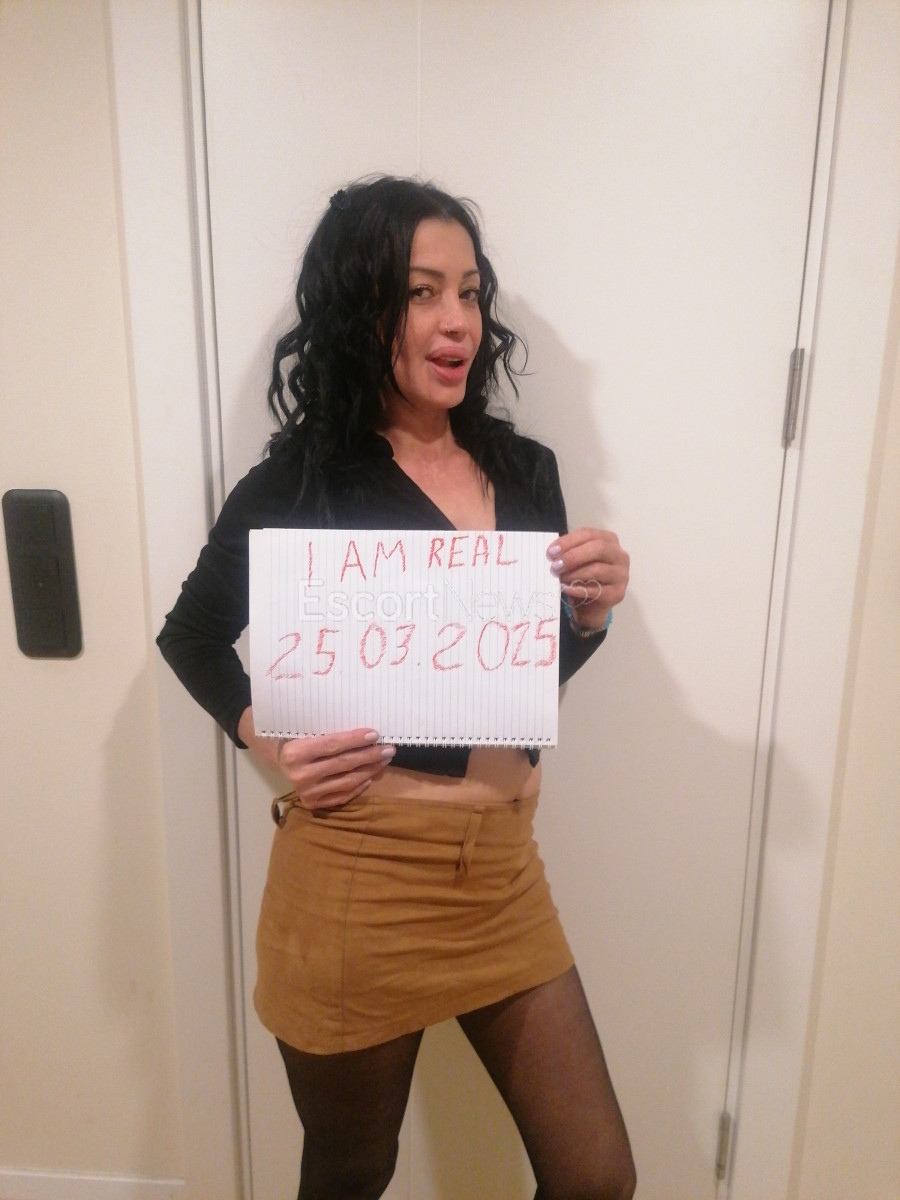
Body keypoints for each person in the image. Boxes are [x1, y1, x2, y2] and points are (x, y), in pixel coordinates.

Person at [158, 176, 635, 1200]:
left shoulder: (526, 470)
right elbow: (190, 635)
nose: (457, 320)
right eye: (422, 292)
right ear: (362, 305)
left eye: (469, 292)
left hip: (502, 875)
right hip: (355, 878)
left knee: (596, 1178)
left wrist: (590, 616)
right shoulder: (301, 483)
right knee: (349, 1174)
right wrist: (267, 739)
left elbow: (524, 677)